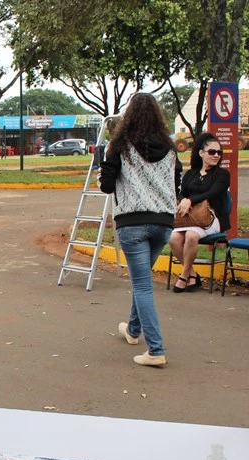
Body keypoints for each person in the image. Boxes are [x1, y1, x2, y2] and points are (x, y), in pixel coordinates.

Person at [98, 93, 181, 367]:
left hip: (132, 223)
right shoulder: (170, 149)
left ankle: (156, 350)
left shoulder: (119, 146)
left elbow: (107, 186)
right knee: (141, 280)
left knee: (143, 285)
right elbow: (176, 183)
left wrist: (105, 174)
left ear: (129, 115)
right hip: (163, 223)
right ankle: (133, 331)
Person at [168, 133, 231, 292]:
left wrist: (190, 200)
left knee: (191, 235)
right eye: (212, 152)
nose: (216, 155)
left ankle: (184, 276)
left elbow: (212, 193)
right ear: (201, 153)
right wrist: (183, 199)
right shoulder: (191, 173)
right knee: (173, 238)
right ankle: (192, 274)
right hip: (190, 218)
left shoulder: (222, 174)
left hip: (211, 219)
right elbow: (182, 193)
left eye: (219, 152)